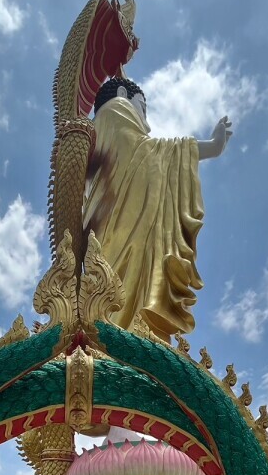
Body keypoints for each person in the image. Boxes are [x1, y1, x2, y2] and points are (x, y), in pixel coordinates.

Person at [83, 76, 232, 342]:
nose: (147, 123)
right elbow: (152, 154)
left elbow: (150, 153)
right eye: (142, 108)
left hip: (103, 230)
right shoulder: (115, 110)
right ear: (121, 94)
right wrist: (212, 147)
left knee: (109, 301)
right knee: (115, 307)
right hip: (118, 226)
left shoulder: (94, 136)